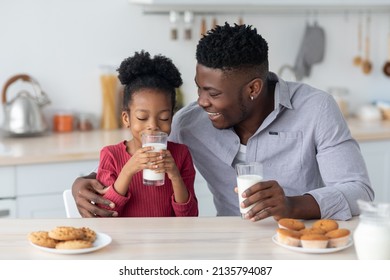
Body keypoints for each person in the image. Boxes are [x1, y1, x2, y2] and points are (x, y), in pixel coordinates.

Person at [72, 22, 373, 221]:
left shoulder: (315, 109)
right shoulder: (190, 123)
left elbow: (359, 190)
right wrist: (82, 183)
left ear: (253, 89)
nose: (201, 101)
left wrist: (293, 205)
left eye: (213, 93)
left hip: (303, 242)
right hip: (230, 249)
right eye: (200, 87)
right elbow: (137, 154)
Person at [92, 50, 198, 217]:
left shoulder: (181, 155)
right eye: (142, 117)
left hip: (169, 241)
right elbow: (104, 214)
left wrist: (175, 176)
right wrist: (128, 171)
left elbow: (190, 217)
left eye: (164, 118)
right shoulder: (110, 155)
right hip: (128, 241)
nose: (153, 126)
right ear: (126, 118)